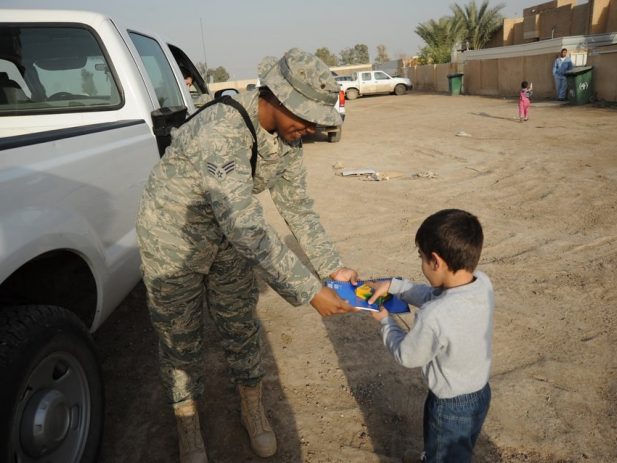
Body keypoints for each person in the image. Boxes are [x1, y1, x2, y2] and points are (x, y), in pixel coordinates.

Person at [136, 48, 357, 463]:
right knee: (179, 338)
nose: (309, 129)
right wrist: (311, 290)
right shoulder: (221, 129)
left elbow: (298, 206)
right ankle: (187, 422)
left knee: (240, 323)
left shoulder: (288, 139)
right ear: (274, 97)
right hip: (173, 239)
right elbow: (246, 225)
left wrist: (331, 267)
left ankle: (251, 405)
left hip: (226, 238)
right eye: (304, 117)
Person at [367, 209, 494, 463]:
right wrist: (396, 286)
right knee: (456, 448)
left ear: (435, 261)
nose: (422, 264)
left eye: (421, 258)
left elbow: (407, 355)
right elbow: (435, 295)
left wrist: (385, 321)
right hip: (479, 393)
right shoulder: (482, 283)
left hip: (449, 405)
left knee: (446, 452)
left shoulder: (434, 315)